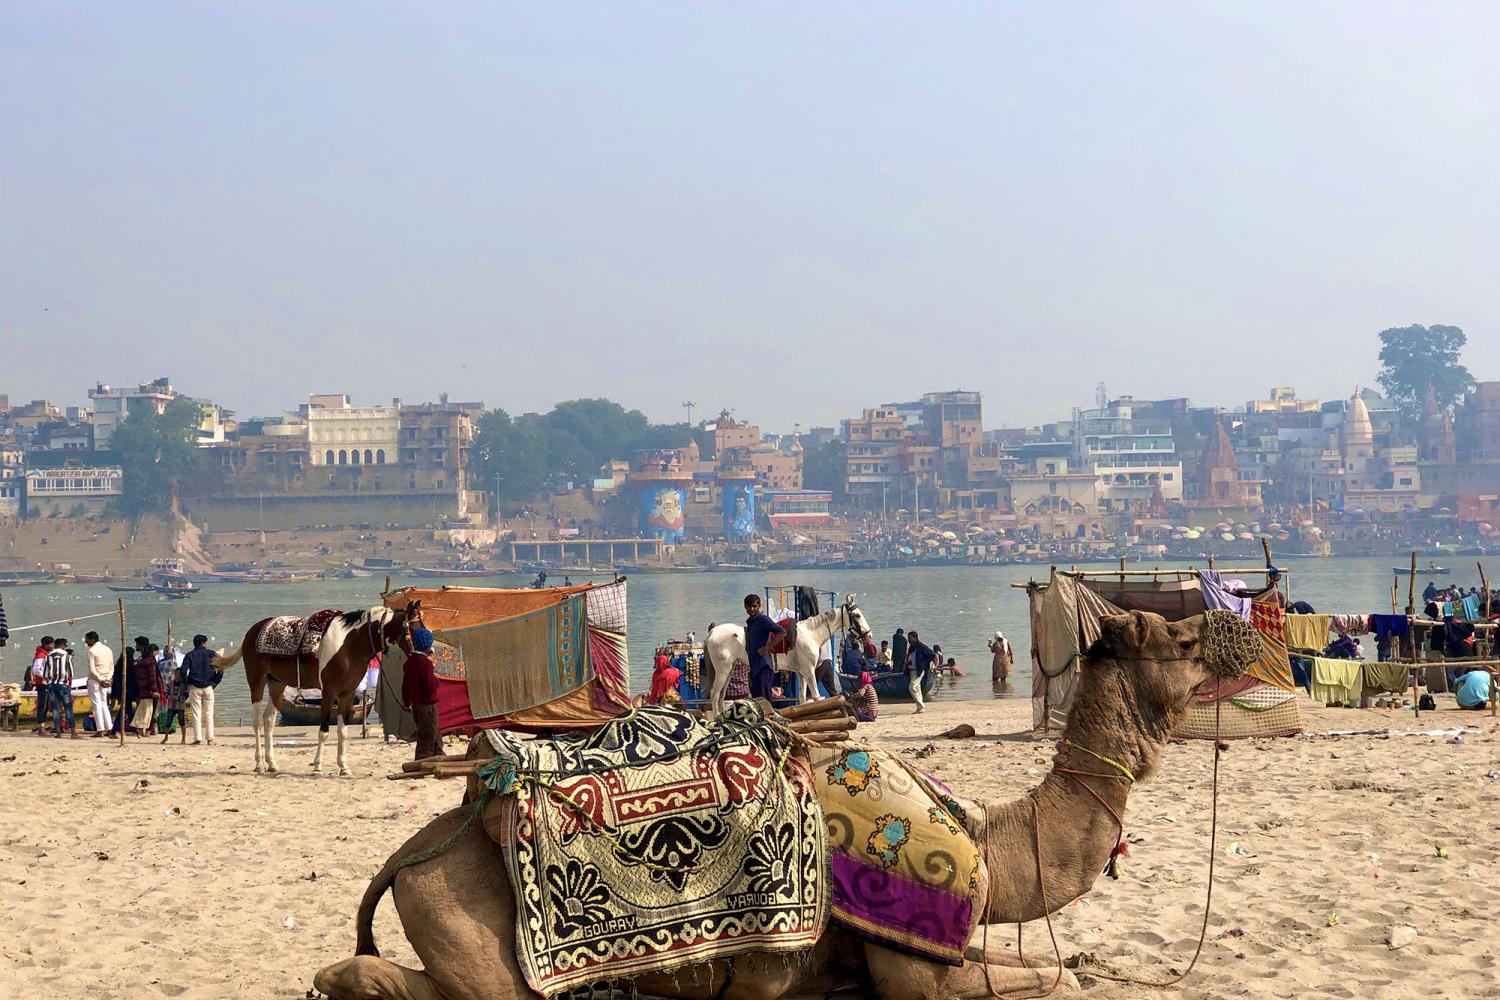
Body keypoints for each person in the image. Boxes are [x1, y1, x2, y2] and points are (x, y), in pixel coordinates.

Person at [402, 627, 442, 760]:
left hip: (416, 705)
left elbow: (405, 686)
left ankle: (439, 757)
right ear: (428, 646)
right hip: (428, 706)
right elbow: (430, 686)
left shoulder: (409, 663)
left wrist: (407, 703)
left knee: (434, 733)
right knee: (427, 736)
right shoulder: (426, 664)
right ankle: (422, 761)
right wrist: (437, 679)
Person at [180, 634, 222, 745]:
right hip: (208, 686)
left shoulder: (190, 655)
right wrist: (215, 682)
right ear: (204, 643)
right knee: (209, 713)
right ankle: (210, 739)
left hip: (194, 687)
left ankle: (198, 738)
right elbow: (221, 668)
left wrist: (187, 683)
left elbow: (183, 671)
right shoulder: (212, 654)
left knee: (196, 713)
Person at [743, 594, 785, 701]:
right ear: (745, 607)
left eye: (754, 606)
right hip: (754, 668)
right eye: (749, 607)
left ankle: (767, 717)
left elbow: (781, 632)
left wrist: (766, 648)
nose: (752, 609)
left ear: (759, 606)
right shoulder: (750, 622)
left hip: (764, 666)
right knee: (757, 700)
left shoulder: (763, 620)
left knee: (764, 700)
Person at [42, 638, 79, 739]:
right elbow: (72, 673)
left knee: (55, 709)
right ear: (63, 645)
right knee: (68, 709)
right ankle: (73, 732)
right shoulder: (67, 656)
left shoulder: (48, 656)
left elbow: (45, 674)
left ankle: (58, 732)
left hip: (52, 686)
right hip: (64, 685)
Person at [129, 639, 163, 737]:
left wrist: (154, 689)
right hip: (148, 689)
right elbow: (152, 676)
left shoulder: (144, 660)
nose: (136, 646)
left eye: (137, 644)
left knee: (146, 709)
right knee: (148, 710)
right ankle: (144, 729)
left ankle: (145, 729)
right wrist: (155, 690)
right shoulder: (149, 660)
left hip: (145, 688)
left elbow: (150, 676)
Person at [83, 631, 113, 737]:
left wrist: (100, 680)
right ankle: (109, 728)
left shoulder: (91, 650)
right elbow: (111, 667)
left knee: (97, 704)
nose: (86, 641)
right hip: (106, 679)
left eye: (87, 639)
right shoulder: (108, 649)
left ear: (92, 639)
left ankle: (100, 729)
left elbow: (92, 670)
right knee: (104, 704)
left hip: (95, 680)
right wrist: (107, 679)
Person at [905, 629, 934, 713]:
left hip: (919, 670)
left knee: (912, 687)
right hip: (912, 670)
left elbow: (931, 654)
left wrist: (925, 664)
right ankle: (920, 708)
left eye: (910, 638)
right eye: (908, 638)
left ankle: (921, 705)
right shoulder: (911, 648)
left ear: (915, 637)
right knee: (917, 688)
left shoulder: (921, 646)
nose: (908, 640)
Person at [30, 636, 52, 733]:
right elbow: (35, 670)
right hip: (42, 683)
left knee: (45, 706)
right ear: (45, 645)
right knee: (42, 706)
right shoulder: (40, 655)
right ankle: (41, 728)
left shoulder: (44, 654)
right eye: (51, 645)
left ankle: (42, 726)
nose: (52, 646)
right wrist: (46, 676)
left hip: (44, 683)